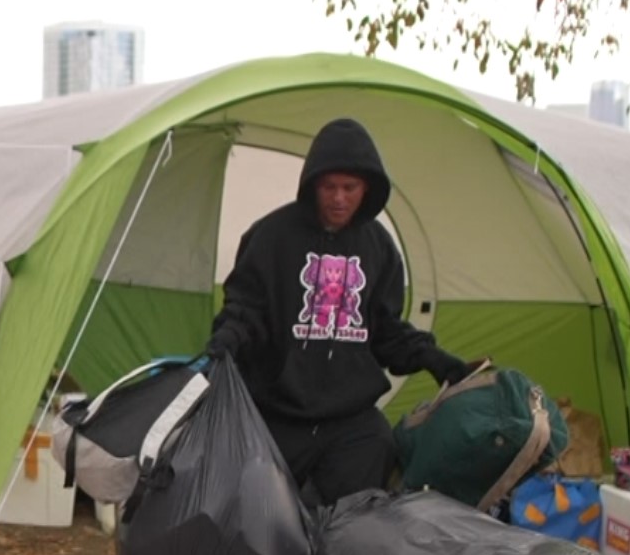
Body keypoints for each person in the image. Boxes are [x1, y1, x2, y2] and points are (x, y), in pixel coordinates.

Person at [203, 117, 480, 508]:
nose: (338, 198)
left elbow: (386, 333)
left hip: (348, 417)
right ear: (313, 184)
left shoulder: (380, 248)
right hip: (276, 411)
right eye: (329, 186)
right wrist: (228, 338)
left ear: (366, 188)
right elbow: (246, 309)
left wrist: (436, 361)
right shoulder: (270, 237)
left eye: (349, 188)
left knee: (376, 453)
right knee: (254, 515)